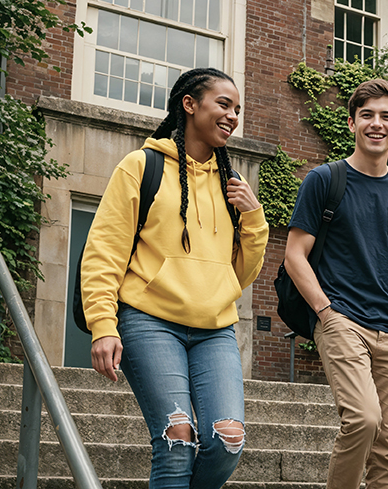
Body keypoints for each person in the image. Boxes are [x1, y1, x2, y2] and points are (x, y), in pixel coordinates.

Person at [82, 68, 269, 489]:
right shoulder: (141, 166)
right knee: (177, 439)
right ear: (189, 104)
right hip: (149, 320)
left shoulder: (232, 185)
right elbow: (104, 251)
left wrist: (254, 220)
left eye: (237, 109)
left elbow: (239, 276)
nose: (232, 115)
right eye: (223, 104)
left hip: (215, 329)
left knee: (228, 440)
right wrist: (102, 325)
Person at [283, 79, 388, 489]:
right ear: (351, 122)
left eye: (387, 116)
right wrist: (326, 313)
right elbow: (294, 255)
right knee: (364, 420)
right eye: (367, 115)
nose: (377, 124)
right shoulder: (325, 180)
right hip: (343, 319)